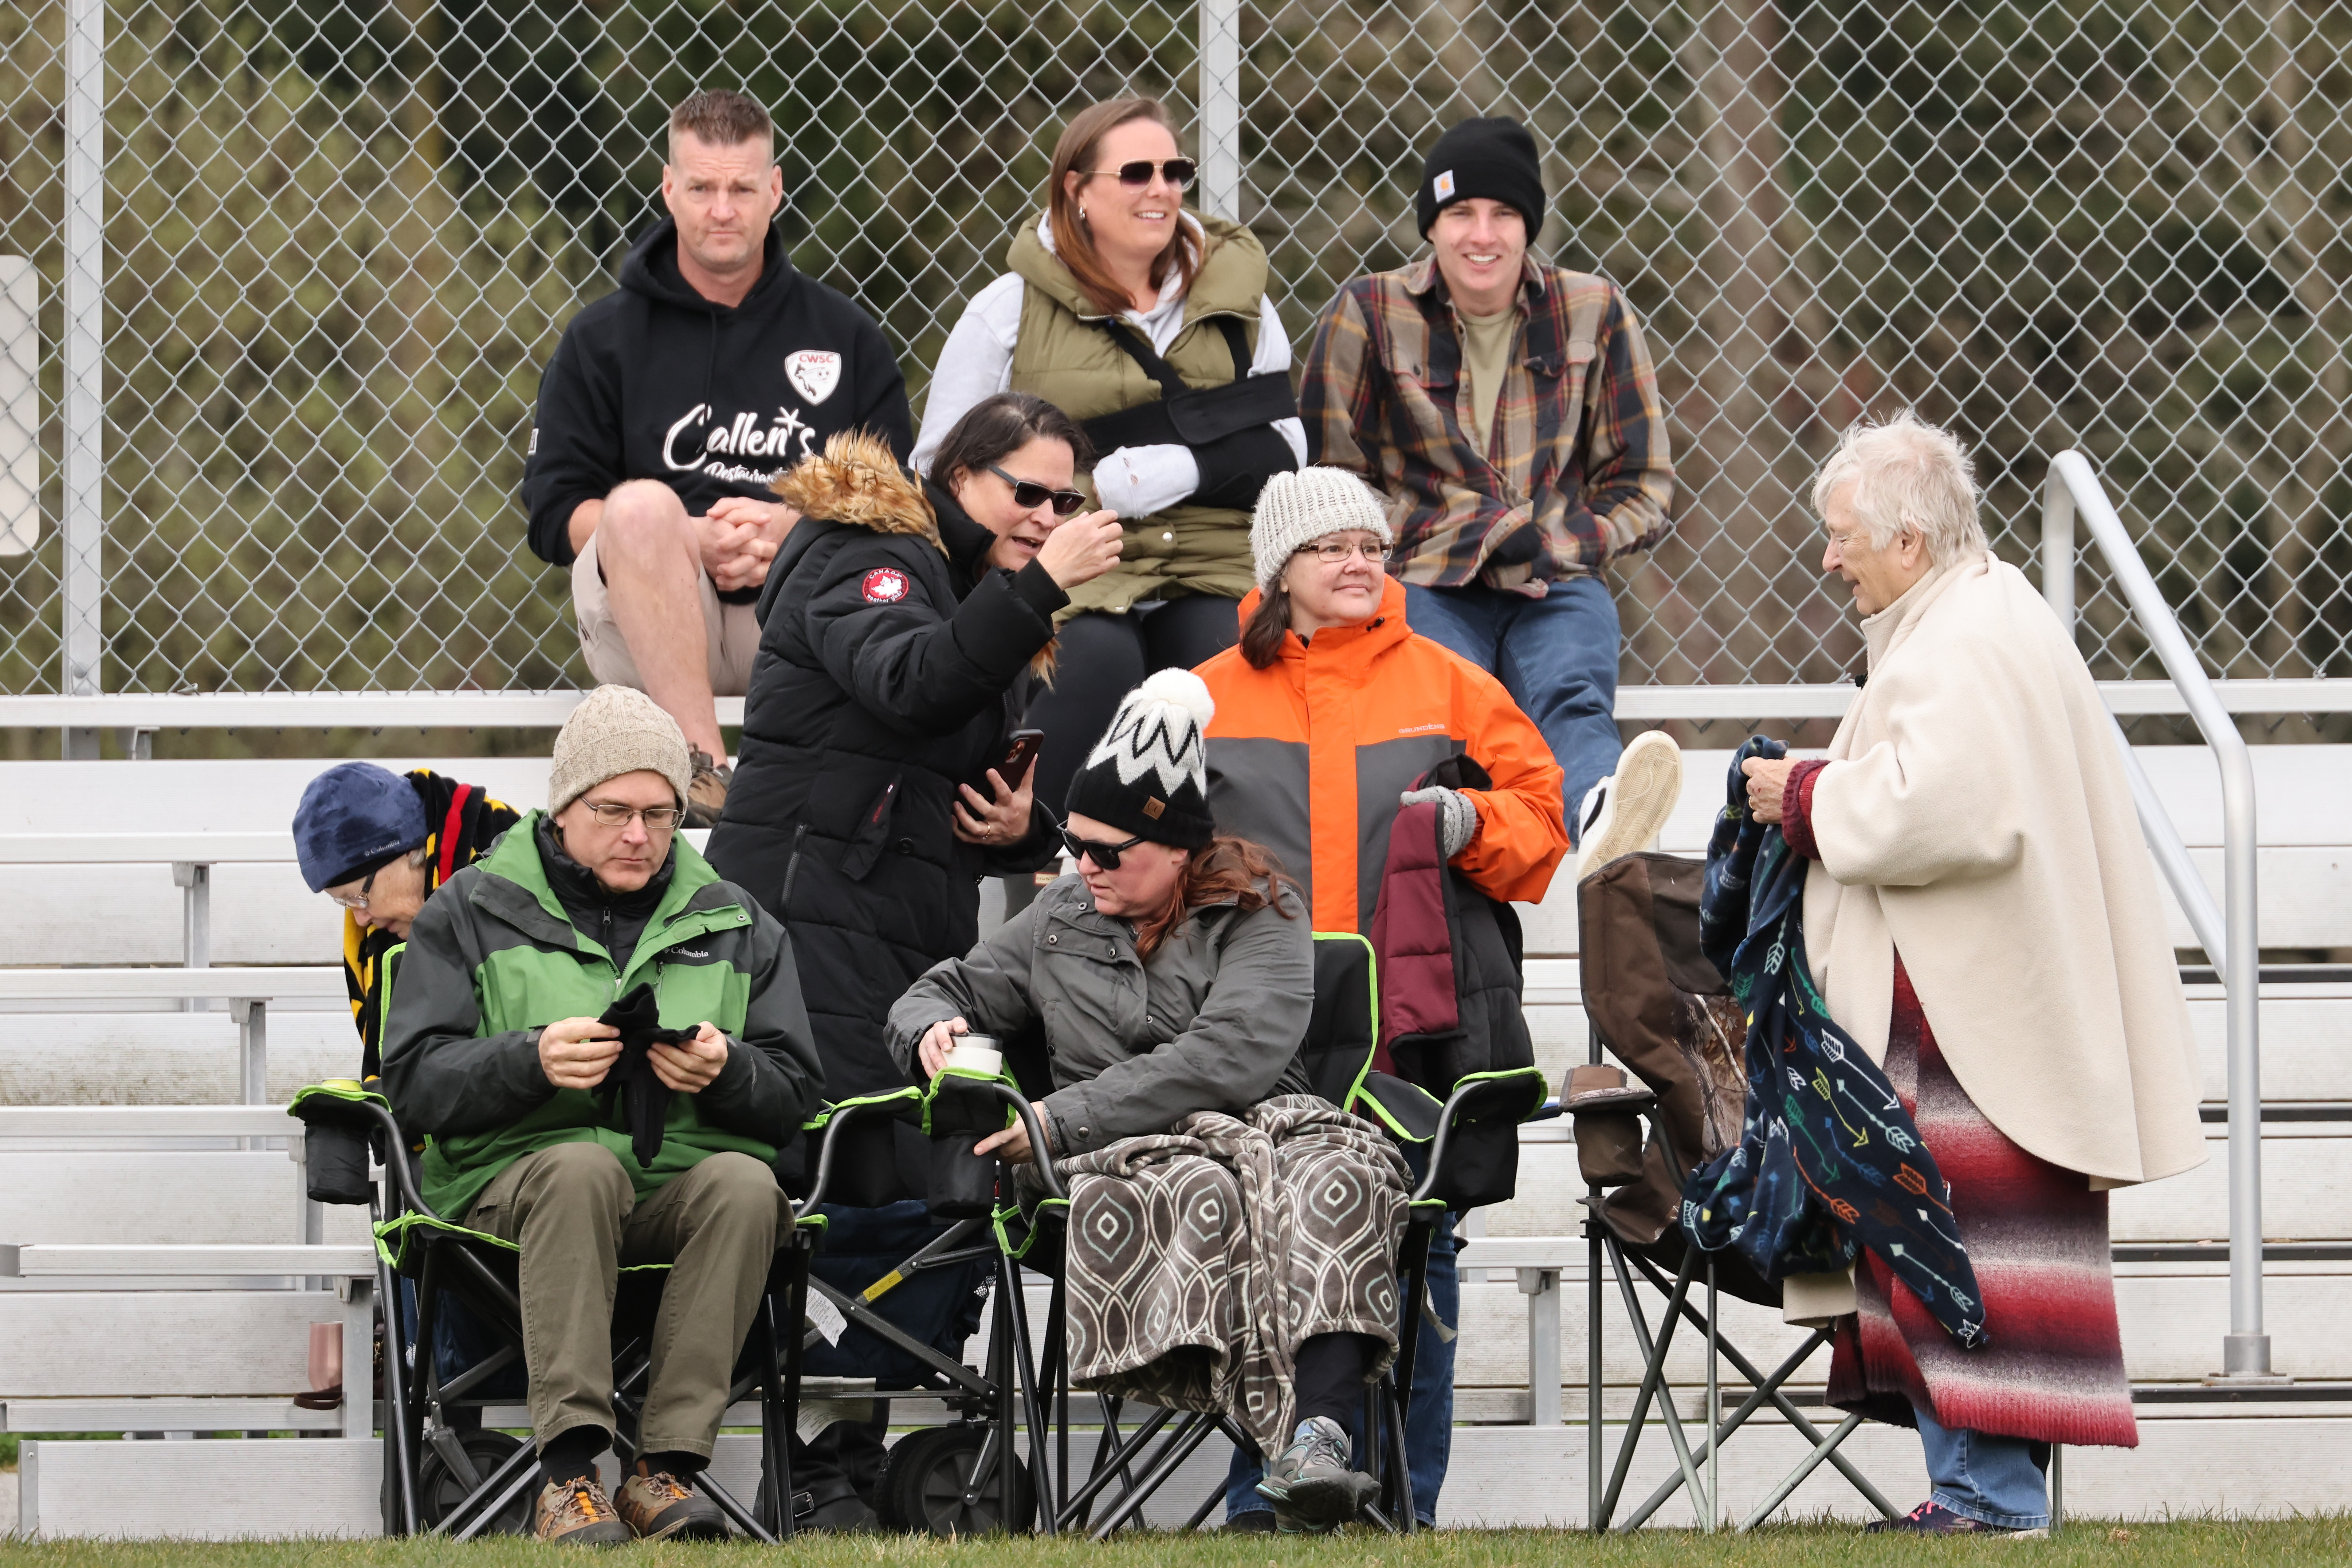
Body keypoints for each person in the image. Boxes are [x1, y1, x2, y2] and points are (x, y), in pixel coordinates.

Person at [1735, 414, 2205, 1536]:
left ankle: (1987, 1501)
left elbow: (1932, 811)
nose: (1827, 556)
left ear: (1907, 540)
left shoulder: (1964, 638)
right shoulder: (1973, 614)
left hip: (1964, 1014)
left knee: (1960, 1245)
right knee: (1968, 1247)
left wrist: (1796, 795)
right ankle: (1976, 1492)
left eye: (1841, 535)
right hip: (1977, 999)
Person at [886, 670, 1410, 1534]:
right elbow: (945, 985)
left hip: (1252, 1124)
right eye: (1076, 844)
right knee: (1193, 1189)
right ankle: (1288, 1448)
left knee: (1337, 1172)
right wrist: (929, 1030)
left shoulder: (1260, 910)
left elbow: (1229, 1056)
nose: (1080, 865)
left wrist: (1058, 1116)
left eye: (1105, 851)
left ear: (1179, 852)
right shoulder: (1061, 916)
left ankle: (1317, 1439)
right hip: (1113, 1161)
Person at [1193, 464, 1567, 1528]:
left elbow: (1539, 825)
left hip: (1416, 1035)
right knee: (1267, 1249)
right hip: (1262, 1028)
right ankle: (1263, 1502)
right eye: (1329, 548)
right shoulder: (1206, 693)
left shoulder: (1453, 683)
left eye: (1370, 544)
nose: (1358, 562)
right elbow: (1140, 858)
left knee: (1419, 1249)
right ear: (1279, 569)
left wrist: (1472, 827)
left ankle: (1405, 1505)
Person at [381, 685, 822, 1545]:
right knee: (583, 1168)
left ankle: (665, 1470)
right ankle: (568, 1476)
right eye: (613, 811)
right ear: (563, 807)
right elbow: (414, 1084)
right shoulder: (466, 912)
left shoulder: (738, 924)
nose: (639, 836)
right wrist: (530, 1060)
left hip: (670, 1196)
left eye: (660, 815)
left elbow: (796, 1098)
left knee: (744, 1184)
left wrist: (725, 1071)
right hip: (508, 1199)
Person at [910, 95, 1304, 848]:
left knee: (1221, 665)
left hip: (1209, 564)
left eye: (1174, 170)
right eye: (1135, 173)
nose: (1161, 189)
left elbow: (1285, 451)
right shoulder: (1009, 308)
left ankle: (1226, 883)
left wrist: (1168, 470)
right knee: (1094, 658)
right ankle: (1039, 867)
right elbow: (944, 469)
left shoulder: (1239, 302)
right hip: (1068, 561)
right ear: (1077, 191)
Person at [521, 88, 914, 824]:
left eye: (741, 188)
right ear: (671, 190)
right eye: (702, 187)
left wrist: (796, 531)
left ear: (775, 191)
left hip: (798, 617)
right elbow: (552, 515)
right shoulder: (602, 339)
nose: (722, 210)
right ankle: (704, 777)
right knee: (641, 506)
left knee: (862, 548)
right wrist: (682, 538)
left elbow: (903, 505)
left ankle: (830, 788)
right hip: (655, 623)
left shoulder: (846, 336)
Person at [1300, 114, 1681, 868]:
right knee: (1441, 707)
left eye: (1504, 214)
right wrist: (1464, 538)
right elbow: (1330, 482)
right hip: (1427, 576)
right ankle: (1442, 841)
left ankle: (1603, 811)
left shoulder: (1592, 312)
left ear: (1528, 226)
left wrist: (1558, 545)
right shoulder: (1369, 313)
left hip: (1555, 582)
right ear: (1431, 227)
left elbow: (1645, 484)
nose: (1483, 235)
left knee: (1570, 690)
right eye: (1461, 213)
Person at [292, 762, 520, 1080]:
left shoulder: (518, 879)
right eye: (344, 903)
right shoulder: (380, 941)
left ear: (414, 854)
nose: (360, 917)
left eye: (360, 895)